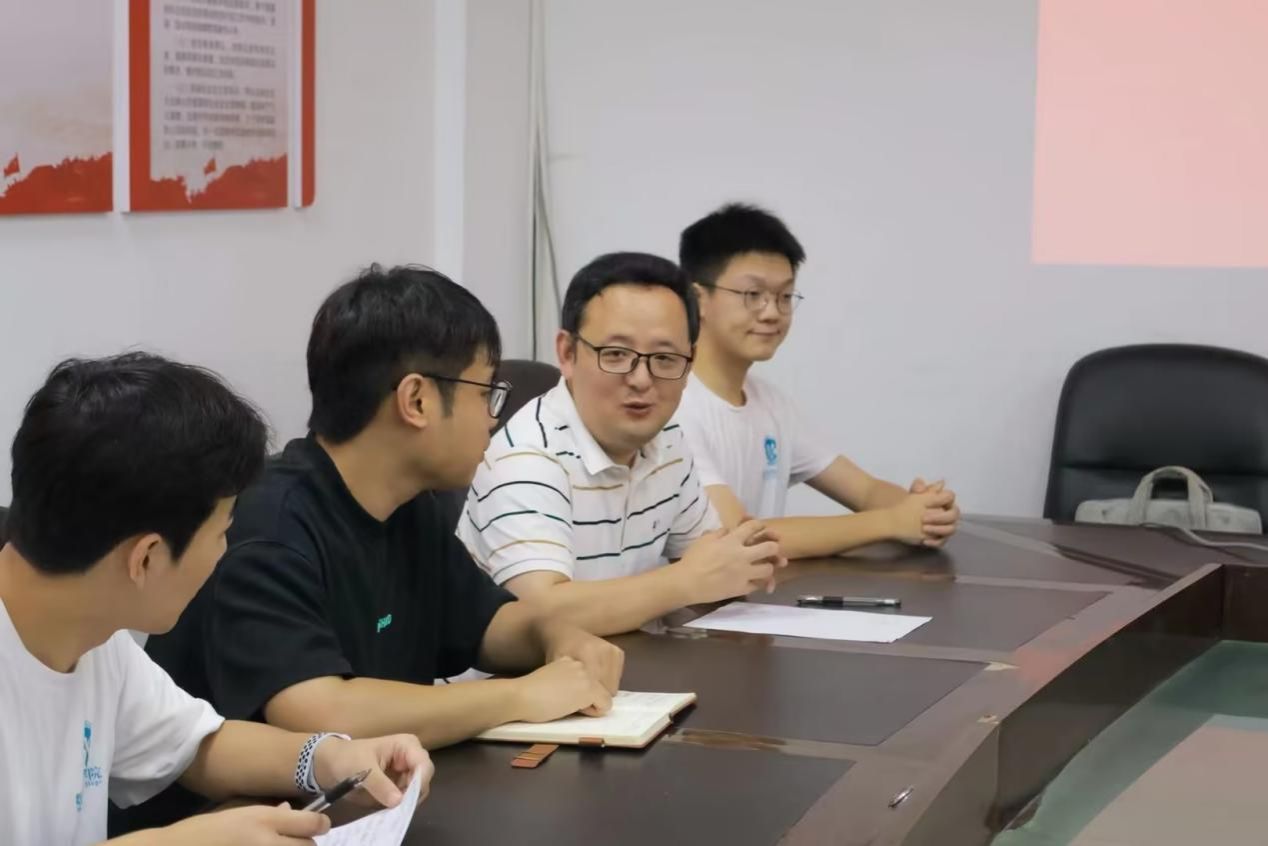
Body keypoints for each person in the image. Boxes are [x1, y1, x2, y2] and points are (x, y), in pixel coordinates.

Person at [126, 265, 624, 829]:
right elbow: (318, 711)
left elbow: (488, 625)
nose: (494, 419)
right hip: (221, 826)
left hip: (359, 813)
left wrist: (555, 636)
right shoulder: (270, 526)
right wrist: (521, 697)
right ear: (416, 400)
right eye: (487, 393)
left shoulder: (409, 504)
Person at [0, 352, 430, 846]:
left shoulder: (93, 634)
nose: (226, 551)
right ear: (146, 559)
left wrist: (330, 758)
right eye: (222, 531)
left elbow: (196, 744)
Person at [459, 252, 784, 637]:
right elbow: (540, 615)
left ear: (689, 362)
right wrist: (686, 581)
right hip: (525, 675)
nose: (642, 379)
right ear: (567, 353)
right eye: (616, 354)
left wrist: (744, 559)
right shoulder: (526, 458)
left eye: (665, 358)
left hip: (624, 663)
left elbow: (707, 557)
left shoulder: (667, 439)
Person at [675, 203, 961, 559]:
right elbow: (740, 537)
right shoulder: (674, 405)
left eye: (784, 296)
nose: (772, 312)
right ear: (699, 299)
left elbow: (866, 491)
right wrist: (892, 522)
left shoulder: (770, 403)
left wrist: (925, 511)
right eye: (753, 295)